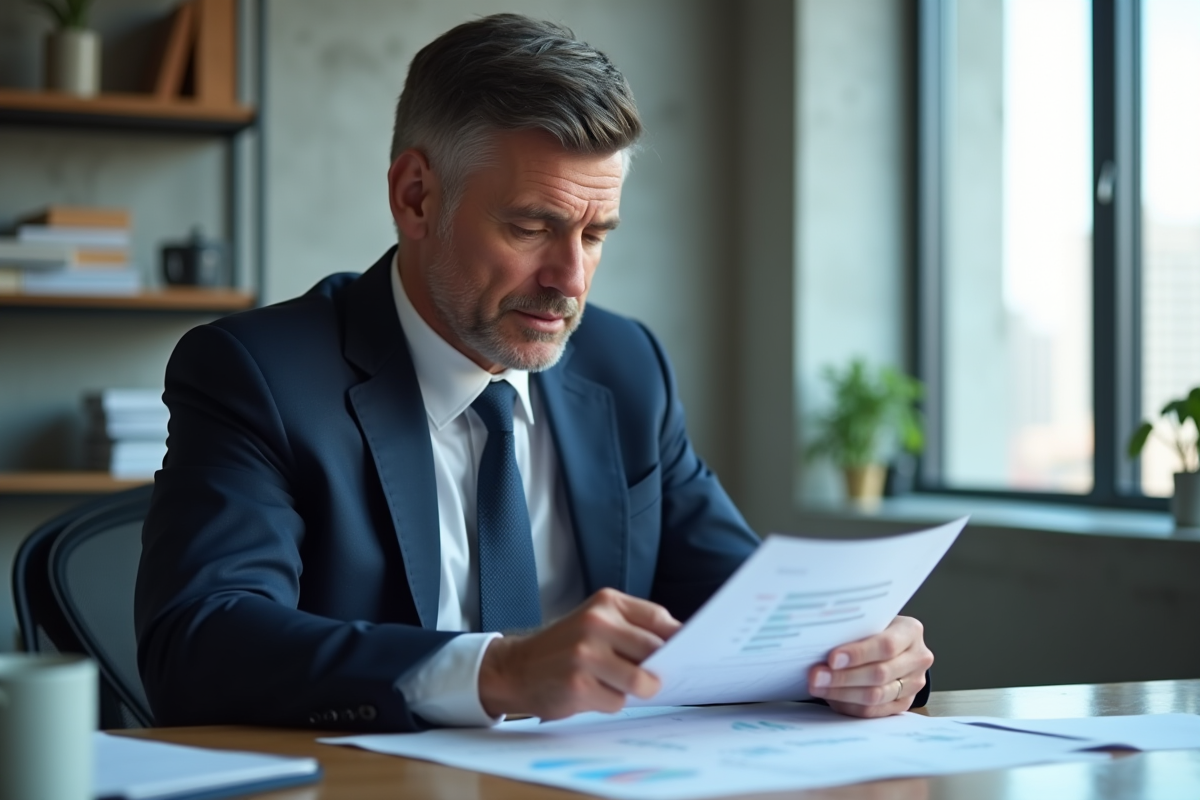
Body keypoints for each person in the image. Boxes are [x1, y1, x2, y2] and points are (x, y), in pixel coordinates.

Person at [134, 13, 933, 732]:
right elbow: (199, 641)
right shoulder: (259, 375)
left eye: (595, 234)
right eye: (532, 226)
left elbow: (746, 613)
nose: (571, 279)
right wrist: (500, 671)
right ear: (415, 198)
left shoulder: (627, 369)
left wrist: (860, 655)